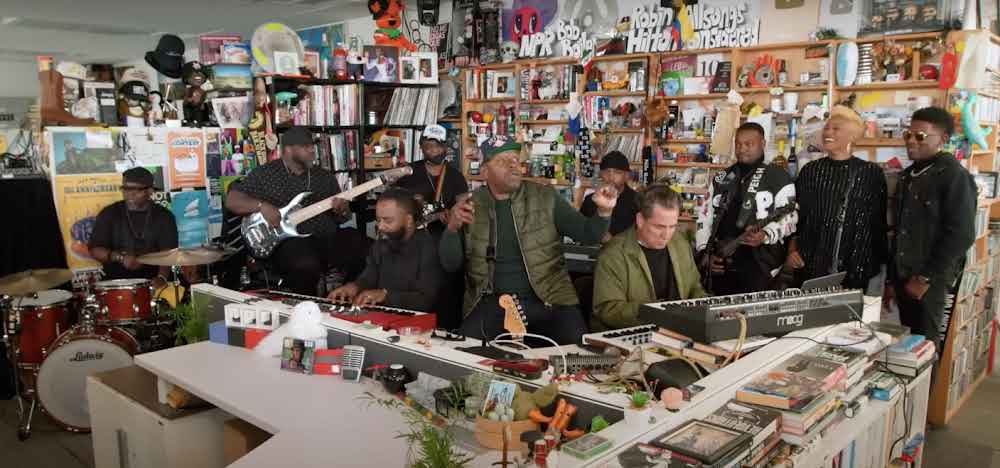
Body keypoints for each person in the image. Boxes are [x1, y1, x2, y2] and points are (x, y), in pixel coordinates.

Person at [440, 135, 617, 344]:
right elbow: (451, 265)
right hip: (493, 303)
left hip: (550, 301)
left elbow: (589, 234)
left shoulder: (545, 197)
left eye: (515, 159)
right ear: (485, 170)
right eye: (502, 160)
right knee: (462, 354)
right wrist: (452, 228)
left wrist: (604, 212)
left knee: (578, 355)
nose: (513, 166)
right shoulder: (470, 207)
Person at [225, 127, 351, 295]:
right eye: (306, 146)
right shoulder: (265, 174)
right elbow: (232, 200)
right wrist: (261, 206)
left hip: (326, 239)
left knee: (366, 249)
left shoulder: (324, 177)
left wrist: (342, 210)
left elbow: (343, 218)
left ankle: (347, 301)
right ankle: (307, 309)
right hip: (287, 242)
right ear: (288, 149)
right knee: (305, 264)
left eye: (312, 145)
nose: (312, 149)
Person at [892, 107, 977, 345]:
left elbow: (961, 234)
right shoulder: (909, 175)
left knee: (925, 348)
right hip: (903, 276)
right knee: (907, 350)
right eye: (908, 135)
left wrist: (924, 278)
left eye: (920, 136)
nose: (911, 141)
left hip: (929, 281)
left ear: (943, 139)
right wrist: (893, 278)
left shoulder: (953, 176)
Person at [786, 105, 888, 293]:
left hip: (855, 265)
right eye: (826, 128)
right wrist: (792, 249)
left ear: (852, 136)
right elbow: (795, 215)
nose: (828, 132)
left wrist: (880, 272)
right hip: (810, 263)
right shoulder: (811, 170)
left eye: (836, 128)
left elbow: (877, 224)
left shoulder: (871, 173)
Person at [695, 122, 797, 295]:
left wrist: (766, 234)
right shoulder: (721, 177)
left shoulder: (778, 175)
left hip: (761, 267)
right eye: (738, 144)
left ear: (763, 144)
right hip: (722, 264)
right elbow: (704, 218)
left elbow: (792, 217)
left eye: (748, 144)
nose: (742, 149)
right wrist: (705, 252)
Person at [591, 185, 705, 331]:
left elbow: (694, 287)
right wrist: (657, 312)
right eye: (659, 227)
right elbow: (608, 310)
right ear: (640, 220)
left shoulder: (680, 243)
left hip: (677, 331)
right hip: (631, 335)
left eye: (673, 226)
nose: (667, 235)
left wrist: (706, 306)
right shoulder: (613, 254)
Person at [327, 189, 443, 311]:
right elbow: (368, 278)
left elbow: (426, 300)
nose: (380, 227)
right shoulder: (381, 244)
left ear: (408, 220)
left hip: (416, 325)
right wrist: (353, 287)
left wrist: (384, 296)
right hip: (381, 319)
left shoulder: (429, 247)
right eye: (378, 220)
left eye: (388, 220)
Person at [89, 167, 177, 283]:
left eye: (136, 190)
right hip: (116, 282)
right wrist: (119, 257)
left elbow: (168, 253)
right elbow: (95, 249)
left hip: (152, 279)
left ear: (150, 191)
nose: (129, 194)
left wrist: (161, 278)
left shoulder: (164, 216)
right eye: (125, 189)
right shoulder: (109, 213)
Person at [394, 124, 469, 237]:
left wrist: (454, 217)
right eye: (429, 146)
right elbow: (395, 208)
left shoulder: (456, 176)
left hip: (445, 239)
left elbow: (464, 210)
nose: (434, 150)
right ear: (421, 147)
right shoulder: (408, 172)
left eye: (439, 146)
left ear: (446, 147)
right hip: (414, 239)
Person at [580, 151, 640, 240]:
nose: (611, 176)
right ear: (601, 174)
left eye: (617, 172)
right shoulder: (590, 200)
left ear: (627, 175)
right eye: (607, 171)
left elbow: (642, 233)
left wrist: (613, 240)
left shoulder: (638, 200)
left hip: (625, 252)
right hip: (594, 251)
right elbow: (581, 229)